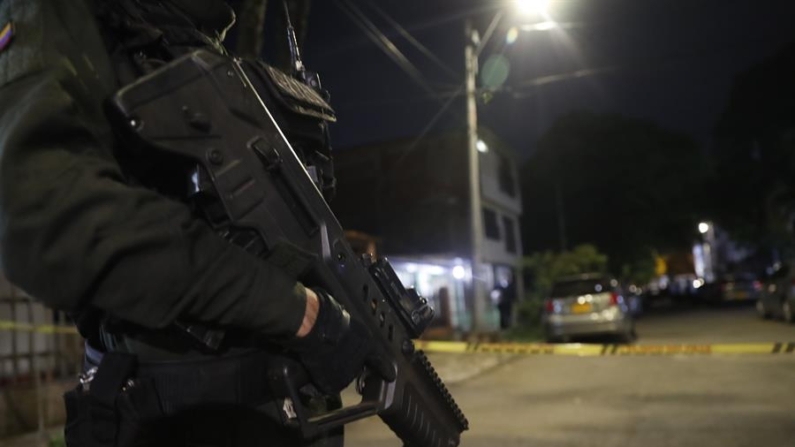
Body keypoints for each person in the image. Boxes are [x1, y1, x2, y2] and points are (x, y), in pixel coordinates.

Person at [0, 0, 392, 446]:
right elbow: (50, 218)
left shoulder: (200, 40)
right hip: (170, 419)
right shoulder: (77, 16)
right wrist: (296, 310)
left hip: (285, 413)